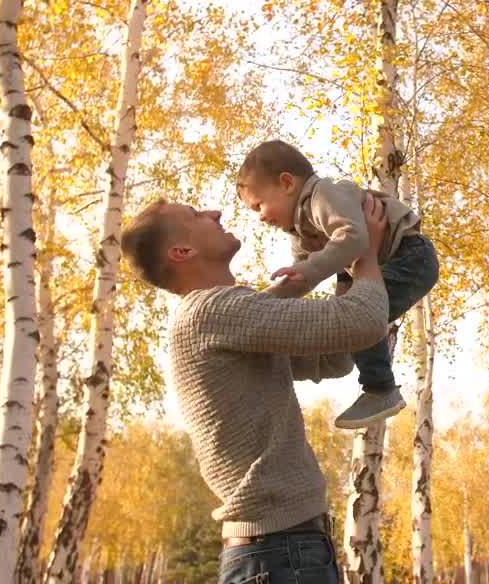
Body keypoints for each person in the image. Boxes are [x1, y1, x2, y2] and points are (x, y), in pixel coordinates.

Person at [118, 195, 392, 584]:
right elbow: (362, 322)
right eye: (196, 215)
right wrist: (364, 250)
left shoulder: (220, 315)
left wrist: (343, 268)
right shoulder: (210, 312)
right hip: (281, 554)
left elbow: (333, 358)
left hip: (280, 552)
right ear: (182, 251)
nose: (214, 213)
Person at [235, 139, 439, 428]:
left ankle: (380, 387)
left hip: (411, 257)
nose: (261, 217)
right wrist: (262, 303)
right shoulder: (299, 229)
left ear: (286, 183)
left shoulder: (323, 195)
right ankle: (378, 385)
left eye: (259, 205)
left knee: (358, 318)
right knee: (352, 316)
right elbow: (302, 278)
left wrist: (310, 268)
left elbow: (354, 238)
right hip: (381, 263)